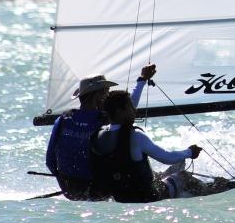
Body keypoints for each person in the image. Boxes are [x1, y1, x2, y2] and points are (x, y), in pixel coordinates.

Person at [44, 64, 157, 200]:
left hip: (70, 190)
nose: (108, 96)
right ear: (98, 95)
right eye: (106, 92)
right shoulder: (104, 119)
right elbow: (128, 106)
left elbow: (50, 161)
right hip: (98, 191)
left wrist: (66, 185)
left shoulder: (62, 120)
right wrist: (142, 80)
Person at [89, 90, 204, 203]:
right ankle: (212, 191)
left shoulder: (99, 135)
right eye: (130, 107)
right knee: (184, 176)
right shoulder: (135, 135)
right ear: (119, 112)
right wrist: (190, 152)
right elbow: (167, 158)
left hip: (119, 197)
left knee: (175, 167)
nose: (135, 110)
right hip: (147, 197)